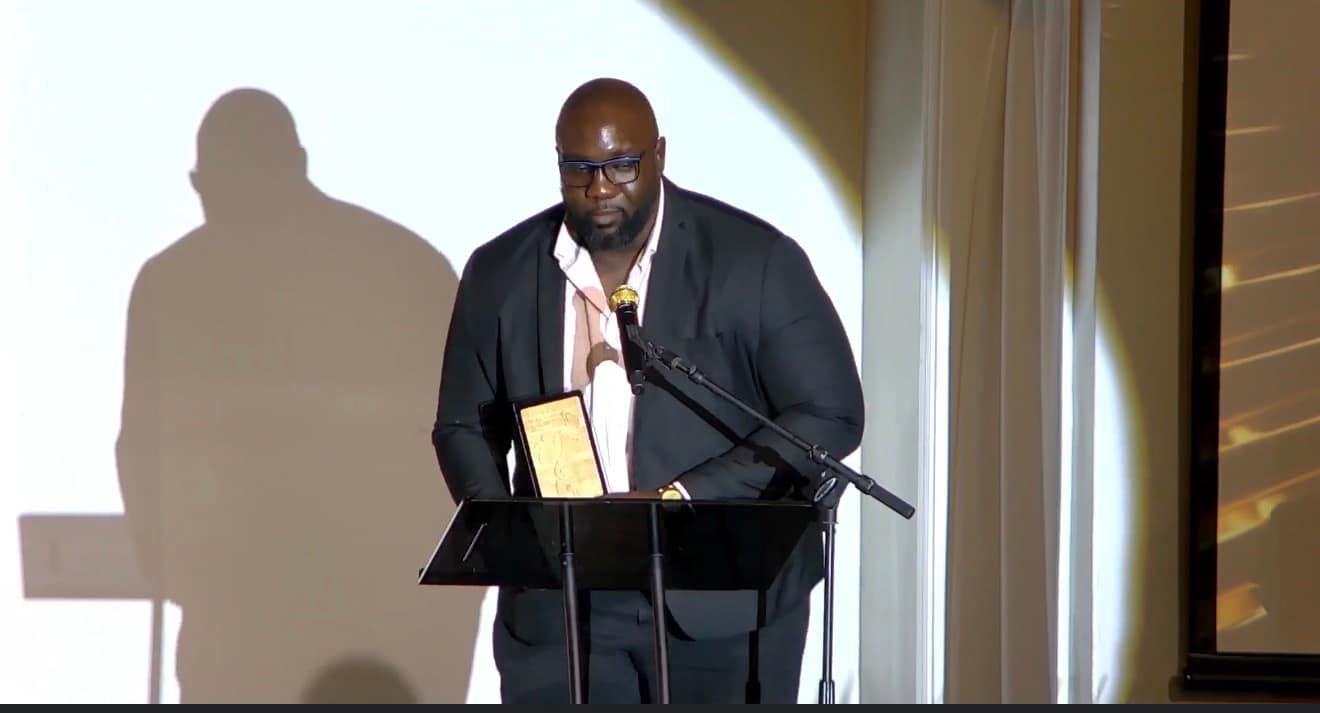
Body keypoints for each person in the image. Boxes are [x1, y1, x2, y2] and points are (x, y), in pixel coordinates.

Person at [431, 77, 863, 704]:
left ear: (659, 154)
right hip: (562, 605)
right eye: (579, 169)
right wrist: (515, 538)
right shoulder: (500, 271)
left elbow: (830, 413)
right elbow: (463, 425)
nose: (600, 188)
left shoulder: (755, 260)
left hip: (722, 602)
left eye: (621, 166)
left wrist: (680, 498)